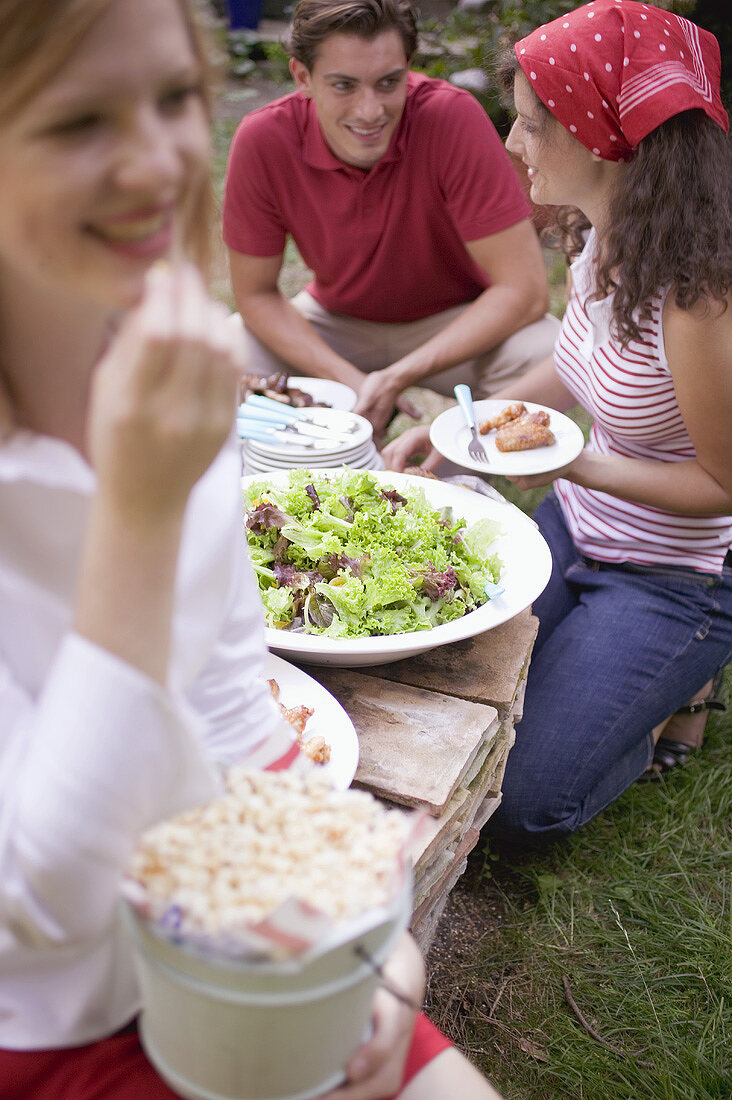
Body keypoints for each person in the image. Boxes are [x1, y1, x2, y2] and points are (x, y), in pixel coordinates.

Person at [0, 1, 501, 1097]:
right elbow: (44, 908)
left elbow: (235, 712)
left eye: (176, 97)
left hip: (226, 938)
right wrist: (136, 516)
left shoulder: (168, 376)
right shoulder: (147, 437)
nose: (158, 158)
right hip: (48, 1025)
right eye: (81, 119)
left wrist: (355, 928)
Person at [383, 0, 732, 841]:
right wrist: (464, 432)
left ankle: (669, 703)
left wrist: (568, 466)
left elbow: (723, 486)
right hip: (576, 527)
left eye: (535, 124)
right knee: (445, 687)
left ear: (604, 137)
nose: (511, 142)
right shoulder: (601, 234)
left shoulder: (697, 297)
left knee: (520, 804)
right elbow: (571, 367)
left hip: (676, 573)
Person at [222, 0, 560, 438]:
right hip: (335, 319)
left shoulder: (449, 117)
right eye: (344, 85)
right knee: (221, 354)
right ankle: (289, 476)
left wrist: (398, 375)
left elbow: (525, 291)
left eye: (388, 82)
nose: (370, 111)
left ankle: (462, 481)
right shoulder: (264, 137)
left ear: (408, 68)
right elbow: (255, 295)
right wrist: (353, 381)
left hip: (455, 317)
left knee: (545, 350)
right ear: (302, 77)